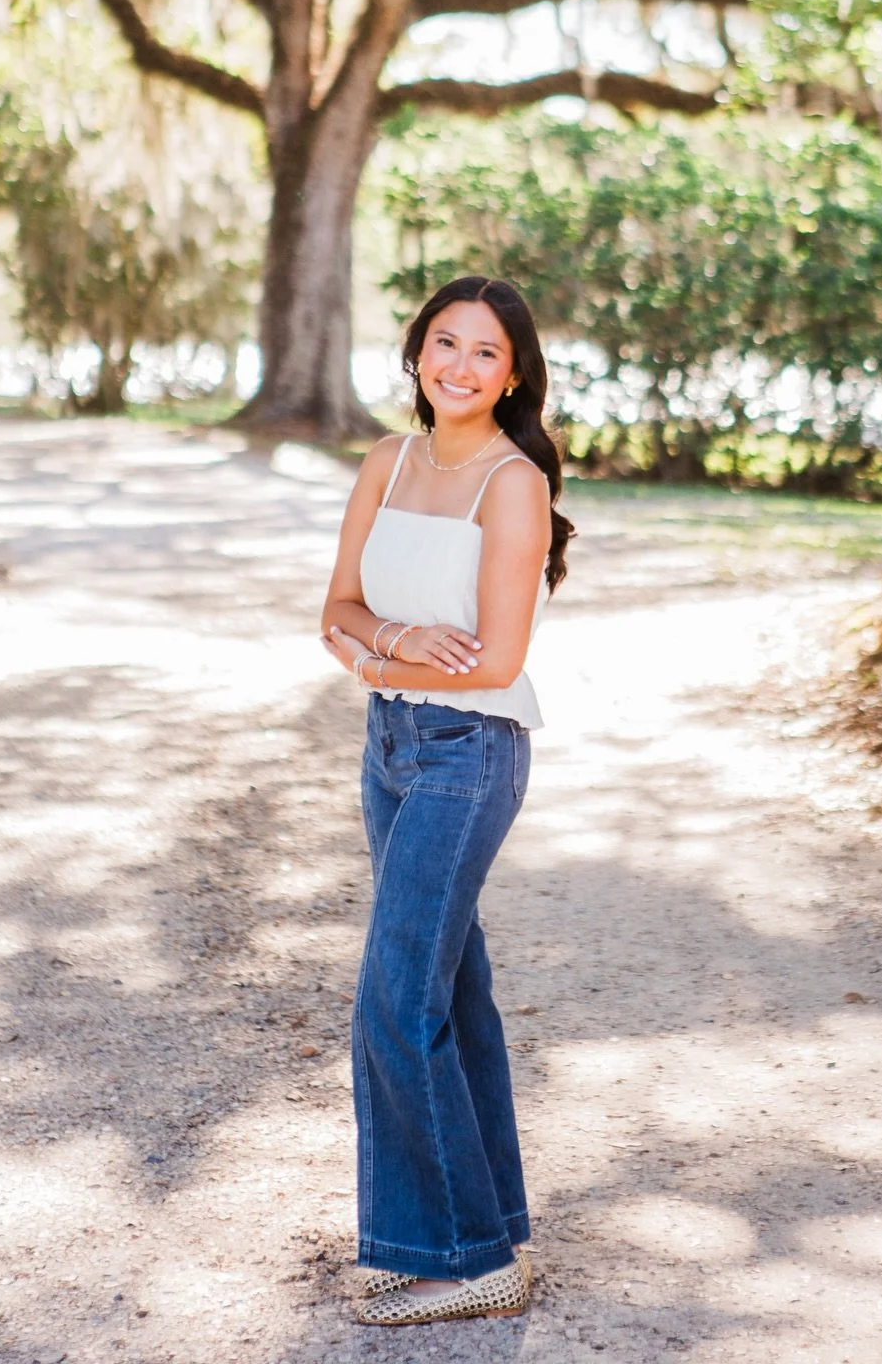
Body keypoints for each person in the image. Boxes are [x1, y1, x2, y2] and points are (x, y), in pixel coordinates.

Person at [320, 274, 574, 1326]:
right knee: (449, 991)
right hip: (392, 746)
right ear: (416, 353)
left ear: (513, 375)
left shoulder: (510, 483)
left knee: (396, 995)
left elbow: (500, 658)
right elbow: (334, 610)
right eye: (443, 342)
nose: (458, 365)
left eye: (484, 352)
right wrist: (390, 644)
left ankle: (469, 1261)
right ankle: (473, 1229)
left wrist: (376, 656)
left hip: (468, 755)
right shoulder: (390, 459)